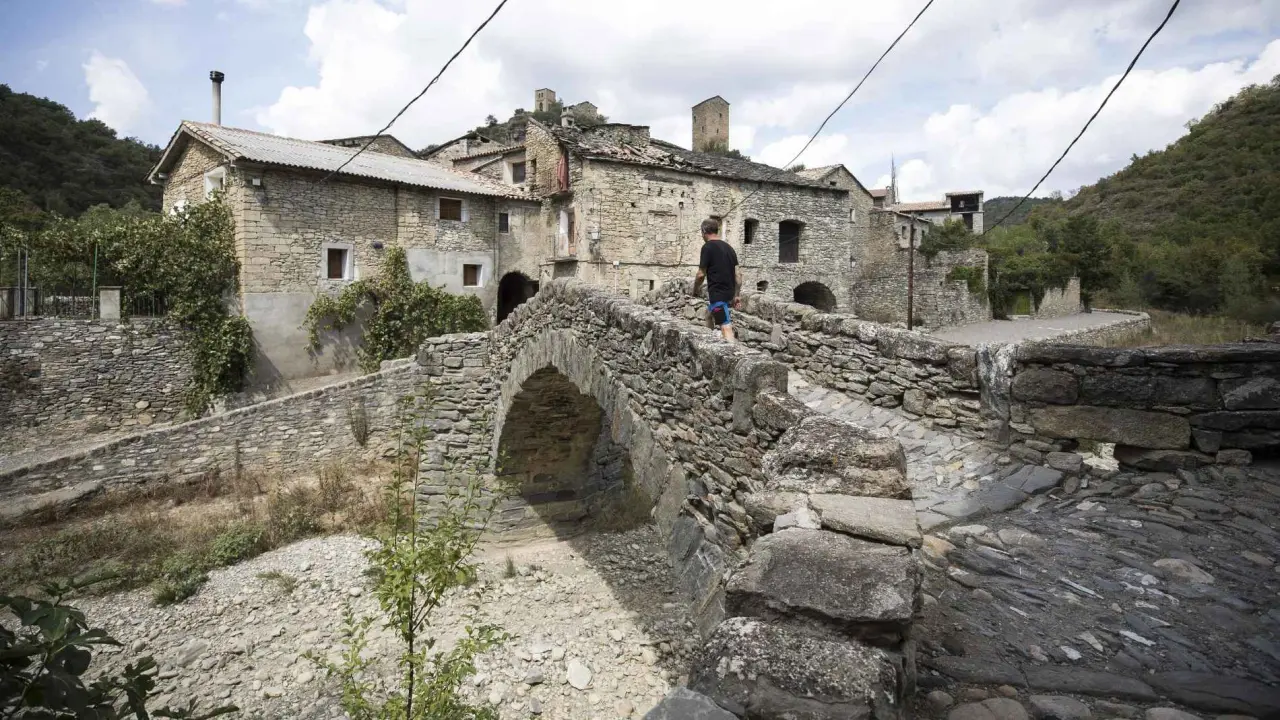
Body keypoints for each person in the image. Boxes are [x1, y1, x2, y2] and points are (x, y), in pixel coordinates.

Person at [692, 218, 741, 342]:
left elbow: (700, 275)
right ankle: (710, 341)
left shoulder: (707, 247)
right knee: (709, 314)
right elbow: (738, 275)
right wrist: (737, 295)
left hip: (718, 295)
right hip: (729, 293)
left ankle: (732, 350)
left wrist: (695, 289)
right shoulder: (729, 248)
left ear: (704, 231)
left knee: (725, 326)